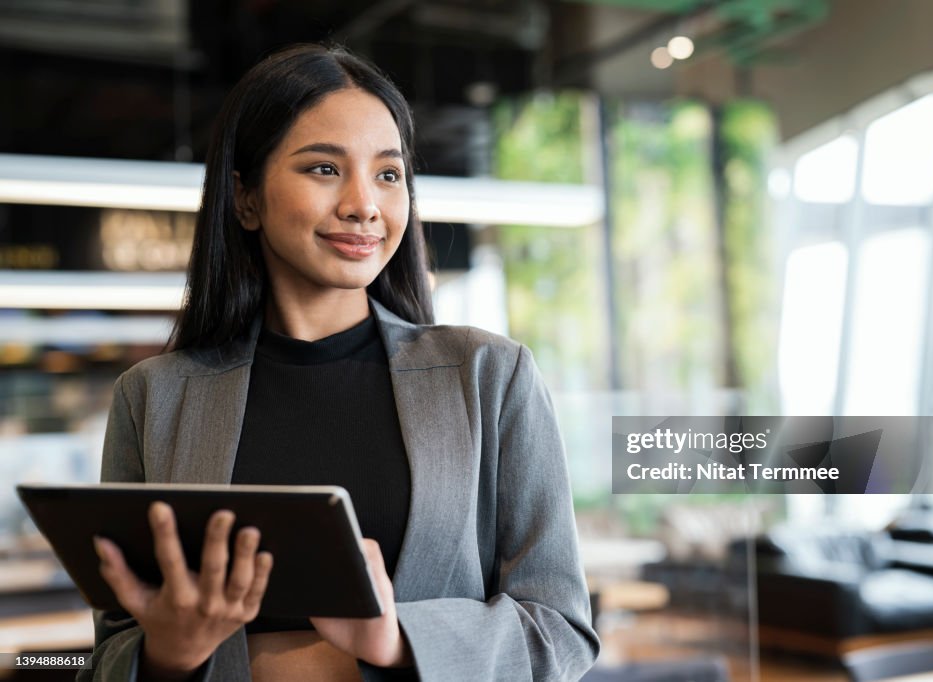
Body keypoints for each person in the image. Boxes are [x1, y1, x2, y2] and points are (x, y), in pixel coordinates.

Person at [80, 43, 599, 681]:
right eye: (324, 169)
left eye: (388, 173)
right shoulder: (155, 398)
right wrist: (169, 654)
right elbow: (105, 657)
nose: (364, 204)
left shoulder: (490, 376)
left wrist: (397, 639)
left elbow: (562, 633)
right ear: (245, 198)